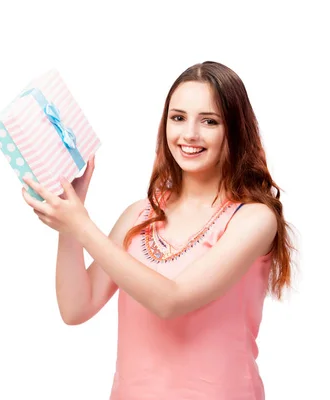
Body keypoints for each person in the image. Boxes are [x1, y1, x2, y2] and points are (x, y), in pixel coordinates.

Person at [21, 61, 295, 400]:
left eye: (209, 121)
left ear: (235, 129)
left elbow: (172, 300)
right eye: (178, 118)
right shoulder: (139, 214)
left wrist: (81, 225)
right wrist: (69, 217)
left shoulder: (253, 219)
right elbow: (77, 307)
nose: (189, 134)